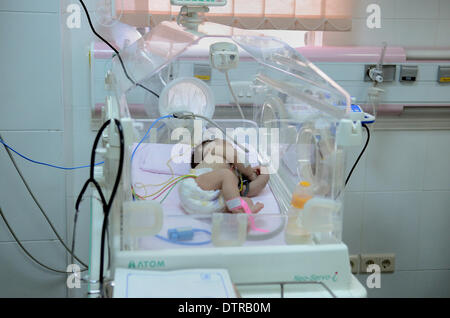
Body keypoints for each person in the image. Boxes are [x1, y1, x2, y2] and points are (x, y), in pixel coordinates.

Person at [178, 138, 270, 215]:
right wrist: (250, 173)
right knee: (227, 175)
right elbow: (239, 158)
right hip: (194, 186)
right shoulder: (215, 153)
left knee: (246, 201)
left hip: (212, 203)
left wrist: (265, 175)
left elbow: (250, 190)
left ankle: (244, 212)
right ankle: (238, 209)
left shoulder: (230, 184)